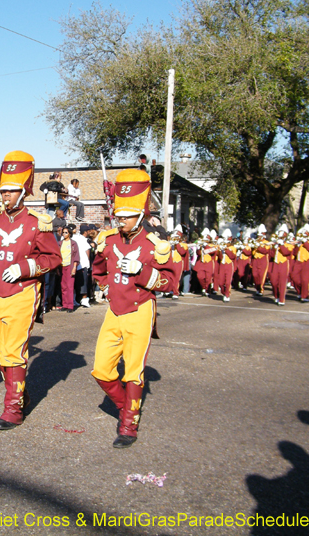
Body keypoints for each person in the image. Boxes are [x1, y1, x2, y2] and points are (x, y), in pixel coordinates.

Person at [90, 168, 178, 448]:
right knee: (101, 370)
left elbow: (171, 281)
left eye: (127, 216)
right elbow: (98, 269)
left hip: (141, 309)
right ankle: (127, 405)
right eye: (119, 215)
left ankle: (129, 423)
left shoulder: (155, 245)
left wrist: (143, 272)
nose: (121, 220)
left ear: (140, 216)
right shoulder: (110, 240)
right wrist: (105, 288)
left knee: (133, 371)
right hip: (114, 310)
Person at [0, 150, 61, 430]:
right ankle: (18, 390)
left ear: (24, 191)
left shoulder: (38, 222)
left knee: (13, 351)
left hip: (24, 291)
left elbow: (53, 258)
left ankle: (13, 408)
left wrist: (26, 268)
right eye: (3, 191)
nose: (6, 195)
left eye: (12, 190)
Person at [59, 225, 79, 312]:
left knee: (70, 286)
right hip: (61, 266)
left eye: (66, 232)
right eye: (63, 232)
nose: (64, 234)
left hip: (70, 266)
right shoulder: (60, 243)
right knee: (63, 286)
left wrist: (74, 267)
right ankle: (65, 304)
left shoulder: (73, 243)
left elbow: (76, 256)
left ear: (70, 234)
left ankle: (70, 305)